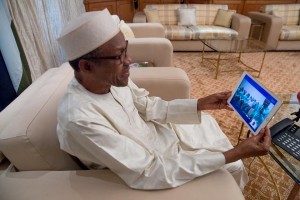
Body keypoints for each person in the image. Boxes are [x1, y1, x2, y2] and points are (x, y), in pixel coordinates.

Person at [56, 9, 271, 191]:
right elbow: (148, 171)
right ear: (86, 66)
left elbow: (149, 106)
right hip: (159, 164)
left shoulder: (110, 80)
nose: (129, 61)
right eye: (119, 56)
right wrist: (235, 153)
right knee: (235, 165)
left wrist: (200, 103)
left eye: (126, 50)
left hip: (162, 135)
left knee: (207, 122)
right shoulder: (80, 121)